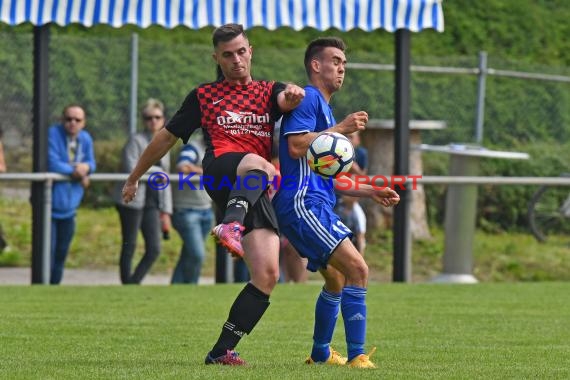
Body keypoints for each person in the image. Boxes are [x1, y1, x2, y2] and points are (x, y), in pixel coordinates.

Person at [120, 23, 304, 365]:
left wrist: (293, 95)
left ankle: (220, 351)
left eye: (241, 51)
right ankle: (229, 225)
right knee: (260, 164)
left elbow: (286, 98)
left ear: (251, 51)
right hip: (221, 170)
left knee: (267, 275)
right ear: (216, 58)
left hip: (252, 189)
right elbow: (165, 138)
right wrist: (134, 177)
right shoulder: (204, 96)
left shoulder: (268, 91)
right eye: (227, 54)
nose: (236, 60)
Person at [272, 37, 400, 368]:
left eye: (344, 63)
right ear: (316, 65)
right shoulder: (308, 98)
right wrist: (341, 128)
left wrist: (371, 189)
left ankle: (320, 354)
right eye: (335, 60)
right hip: (303, 204)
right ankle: (358, 356)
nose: (342, 67)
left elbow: (334, 178)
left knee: (337, 278)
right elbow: (297, 147)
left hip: (312, 204)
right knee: (358, 268)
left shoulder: (323, 108)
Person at [114, 98, 172, 285]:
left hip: (153, 201)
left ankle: (133, 283)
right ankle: (126, 284)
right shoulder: (135, 140)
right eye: (148, 117)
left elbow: (166, 180)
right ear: (143, 120)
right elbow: (132, 168)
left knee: (154, 248)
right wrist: (158, 172)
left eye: (157, 117)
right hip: (132, 199)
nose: (153, 121)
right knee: (129, 244)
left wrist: (166, 210)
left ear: (163, 119)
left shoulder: (166, 141)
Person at [47, 104, 96, 284]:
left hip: (70, 209)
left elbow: (92, 163)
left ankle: (53, 291)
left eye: (77, 120)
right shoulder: (52, 134)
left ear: (84, 123)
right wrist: (74, 171)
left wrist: (86, 168)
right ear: (62, 120)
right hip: (49, 209)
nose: (72, 123)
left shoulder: (86, 138)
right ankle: (41, 288)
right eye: (68, 119)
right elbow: (51, 162)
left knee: (61, 254)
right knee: (47, 253)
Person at [171, 131, 214, 284]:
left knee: (188, 254)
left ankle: (175, 288)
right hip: (187, 210)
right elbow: (183, 166)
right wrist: (207, 171)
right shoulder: (193, 148)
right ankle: (192, 288)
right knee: (197, 255)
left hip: (205, 209)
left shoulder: (217, 149)